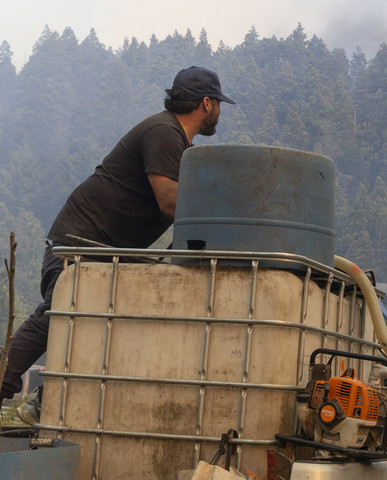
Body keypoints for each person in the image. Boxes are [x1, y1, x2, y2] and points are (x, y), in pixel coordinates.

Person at [0, 66, 235, 424]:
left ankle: (44, 402)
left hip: (106, 254)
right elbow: (170, 201)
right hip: (81, 244)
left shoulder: (176, 140)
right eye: (218, 103)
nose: (219, 109)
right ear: (206, 103)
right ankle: (5, 383)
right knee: (59, 315)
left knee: (106, 328)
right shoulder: (164, 132)